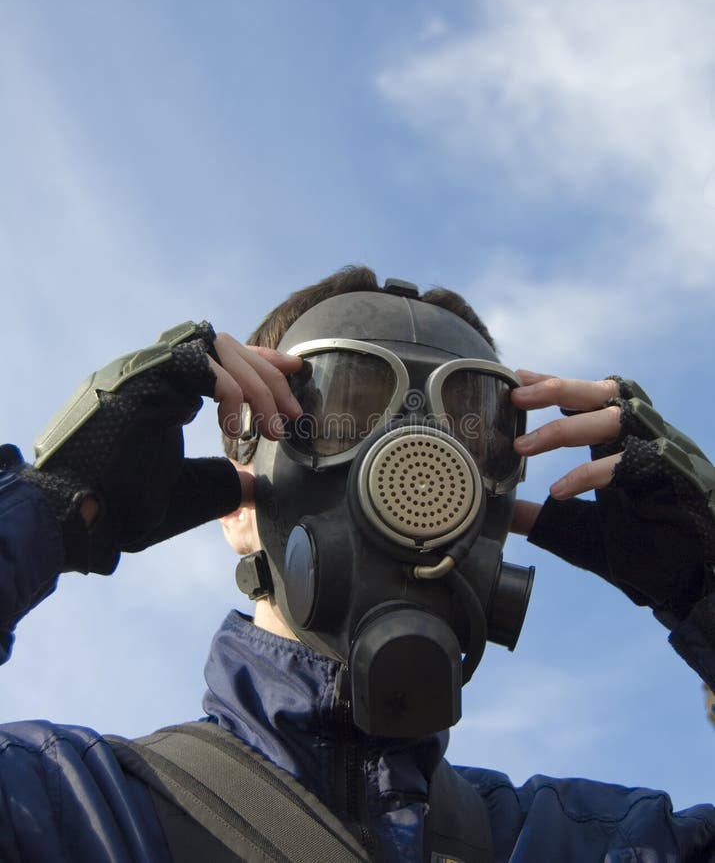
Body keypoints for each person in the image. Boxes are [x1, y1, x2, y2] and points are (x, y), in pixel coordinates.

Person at [0, 266, 713, 862]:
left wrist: (704, 592)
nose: (419, 469)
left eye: (470, 428)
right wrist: (55, 506)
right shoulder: (67, 813)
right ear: (235, 501)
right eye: (342, 413)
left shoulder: (593, 846)